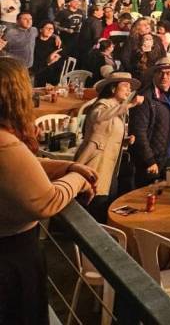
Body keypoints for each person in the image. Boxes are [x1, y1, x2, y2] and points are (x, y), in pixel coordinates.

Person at [0, 57, 98, 324]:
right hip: (11, 259)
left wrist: (66, 167)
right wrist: (77, 178)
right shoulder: (6, 145)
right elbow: (48, 201)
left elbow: (23, 167)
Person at [74, 72, 144, 219]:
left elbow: (108, 132)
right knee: (94, 203)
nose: (129, 90)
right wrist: (130, 105)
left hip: (109, 166)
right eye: (125, 86)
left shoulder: (117, 107)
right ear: (113, 88)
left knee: (104, 202)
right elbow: (98, 116)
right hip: (96, 163)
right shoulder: (103, 104)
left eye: (130, 87)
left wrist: (124, 140)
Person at [129, 58, 170, 186]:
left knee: (169, 193)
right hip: (153, 161)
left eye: (168, 73)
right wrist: (149, 160)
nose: (164, 76)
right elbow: (138, 132)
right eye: (160, 72)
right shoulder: (145, 97)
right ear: (154, 74)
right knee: (148, 194)